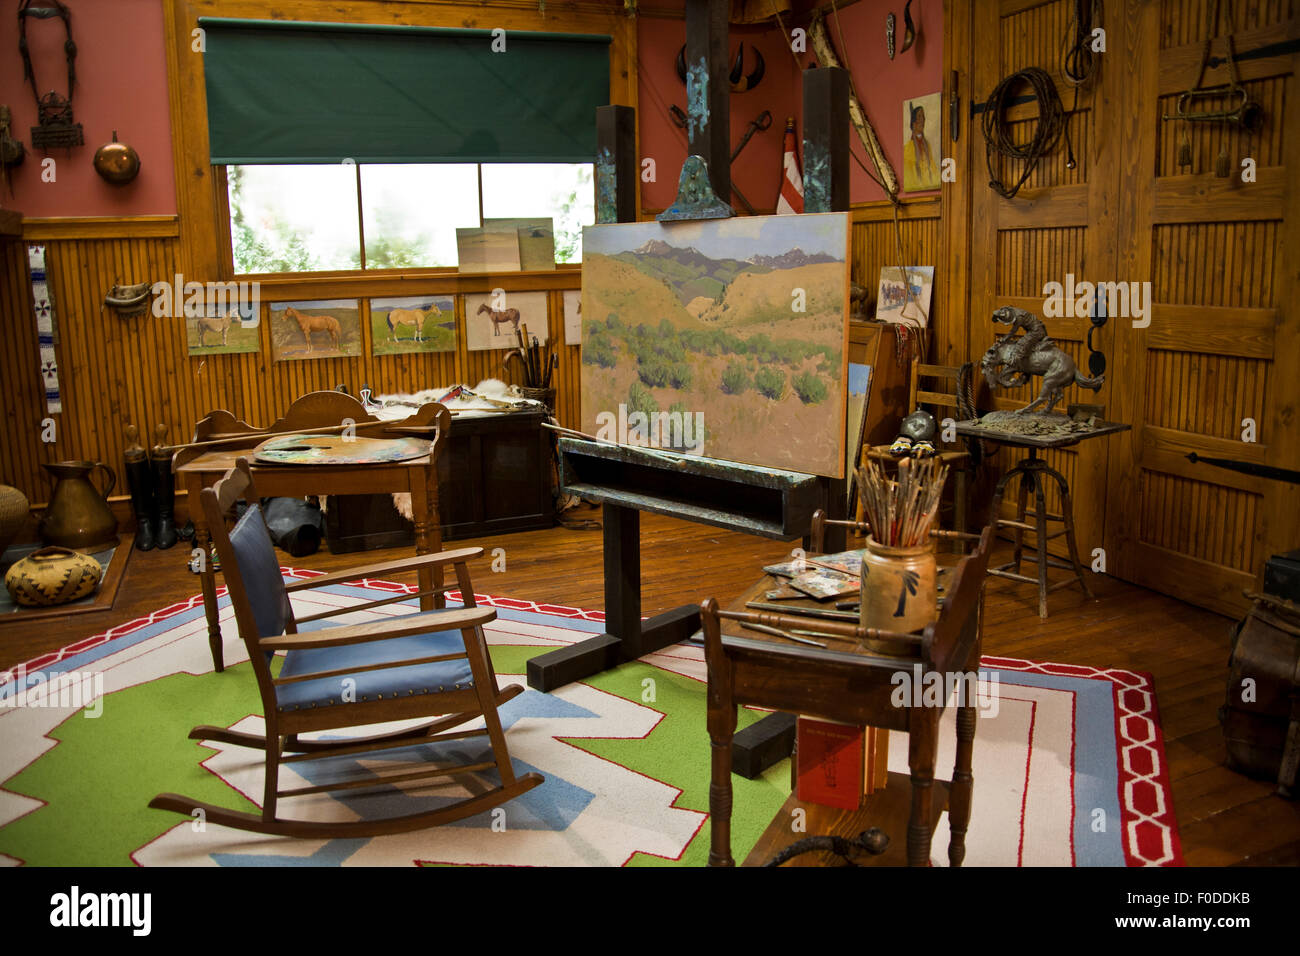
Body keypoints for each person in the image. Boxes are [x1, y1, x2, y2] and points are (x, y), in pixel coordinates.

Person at [903, 102, 939, 191]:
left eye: (923, 117)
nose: (922, 120)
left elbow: (933, 170)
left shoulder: (927, 146)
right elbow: (909, 175)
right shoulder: (908, 148)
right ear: (914, 123)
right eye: (919, 117)